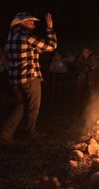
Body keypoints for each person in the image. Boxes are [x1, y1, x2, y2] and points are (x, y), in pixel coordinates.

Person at [0, 12, 57, 145]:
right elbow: (51, 46)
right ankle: (30, 134)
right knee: (33, 106)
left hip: (15, 79)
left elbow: (29, 51)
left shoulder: (10, 38)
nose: (34, 25)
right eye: (31, 22)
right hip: (29, 78)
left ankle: (5, 133)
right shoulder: (26, 35)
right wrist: (50, 28)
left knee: (19, 105)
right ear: (22, 23)